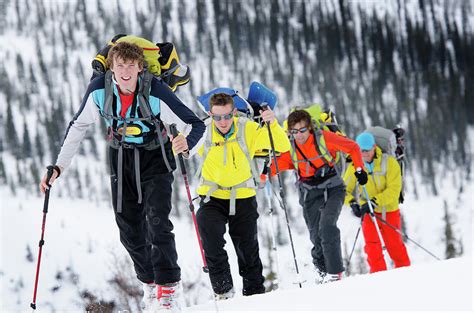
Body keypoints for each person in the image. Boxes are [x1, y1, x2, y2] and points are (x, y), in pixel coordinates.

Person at [39, 42, 205, 311]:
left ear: (140, 68)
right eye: (119, 66)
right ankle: (149, 283)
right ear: (112, 68)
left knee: (157, 221)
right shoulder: (98, 92)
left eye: (130, 66)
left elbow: (194, 123)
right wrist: (58, 167)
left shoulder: (156, 91)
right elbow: (78, 126)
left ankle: (169, 288)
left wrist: (187, 144)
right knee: (128, 227)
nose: (125, 71)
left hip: (156, 155)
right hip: (120, 157)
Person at [195, 93, 290, 299]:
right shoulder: (203, 130)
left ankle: (255, 295)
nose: (223, 122)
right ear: (210, 114)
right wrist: (178, 143)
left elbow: (283, 146)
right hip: (212, 196)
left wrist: (272, 124)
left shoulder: (248, 128)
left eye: (227, 116)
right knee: (210, 237)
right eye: (217, 117)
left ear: (234, 112)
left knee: (247, 248)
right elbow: (183, 147)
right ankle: (223, 291)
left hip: (243, 195)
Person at [270, 109, 368, 284]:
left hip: (333, 187)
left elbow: (352, 147)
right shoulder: (290, 147)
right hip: (309, 191)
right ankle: (322, 273)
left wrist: (360, 168)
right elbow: (273, 166)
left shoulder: (324, 138)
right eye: (294, 131)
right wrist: (258, 175)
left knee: (327, 225)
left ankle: (334, 273)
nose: (299, 135)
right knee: (316, 235)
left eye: (302, 130)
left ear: (310, 128)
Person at [343, 132, 411, 273]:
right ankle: (379, 279)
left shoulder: (389, 162)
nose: (364, 154)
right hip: (367, 212)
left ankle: (405, 276)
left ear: (374, 147)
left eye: (366, 150)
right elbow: (343, 189)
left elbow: (394, 189)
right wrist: (352, 203)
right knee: (373, 249)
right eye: (360, 150)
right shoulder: (355, 165)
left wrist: (375, 202)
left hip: (389, 210)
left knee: (395, 247)